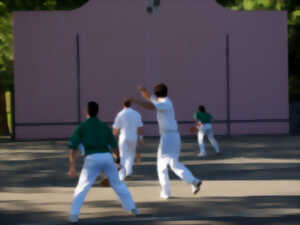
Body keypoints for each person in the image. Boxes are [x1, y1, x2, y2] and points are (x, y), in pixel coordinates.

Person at [68, 101, 138, 223]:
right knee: (118, 184)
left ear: (86, 111)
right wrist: (117, 161)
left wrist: (72, 166)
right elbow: (114, 146)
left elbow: (73, 148)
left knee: (82, 187)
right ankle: (132, 208)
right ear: (98, 112)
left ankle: (74, 215)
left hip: (91, 158)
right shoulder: (104, 127)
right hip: (106, 157)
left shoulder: (82, 127)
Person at [133, 83, 202, 199]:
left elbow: (150, 106)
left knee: (161, 165)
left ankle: (166, 192)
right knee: (174, 164)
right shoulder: (162, 100)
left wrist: (135, 101)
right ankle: (194, 181)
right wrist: (142, 91)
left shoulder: (165, 103)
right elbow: (149, 97)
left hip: (168, 137)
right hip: (173, 136)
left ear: (157, 93)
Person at [112, 99, 143, 181]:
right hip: (133, 137)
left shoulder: (120, 114)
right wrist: (140, 138)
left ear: (123, 104)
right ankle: (129, 172)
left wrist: (112, 138)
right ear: (131, 104)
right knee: (131, 154)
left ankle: (122, 174)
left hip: (123, 137)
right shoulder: (136, 114)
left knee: (123, 155)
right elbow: (140, 127)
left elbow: (115, 129)